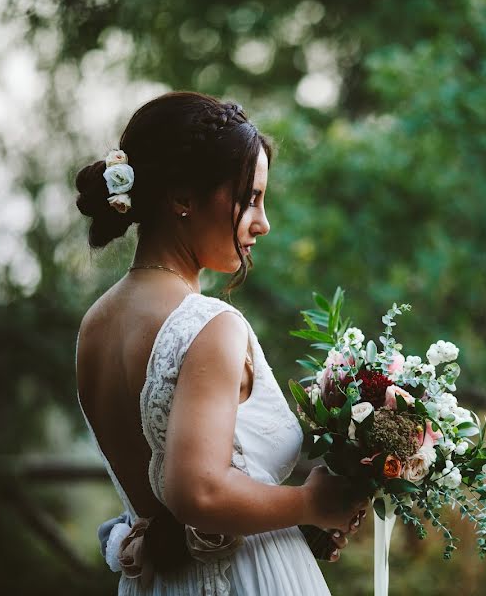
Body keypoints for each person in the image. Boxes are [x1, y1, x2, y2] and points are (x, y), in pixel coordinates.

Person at [74, 91, 365, 595]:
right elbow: (199, 492)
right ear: (183, 197)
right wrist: (312, 503)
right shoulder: (209, 325)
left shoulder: (94, 326)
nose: (263, 223)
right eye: (248, 199)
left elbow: (172, 506)